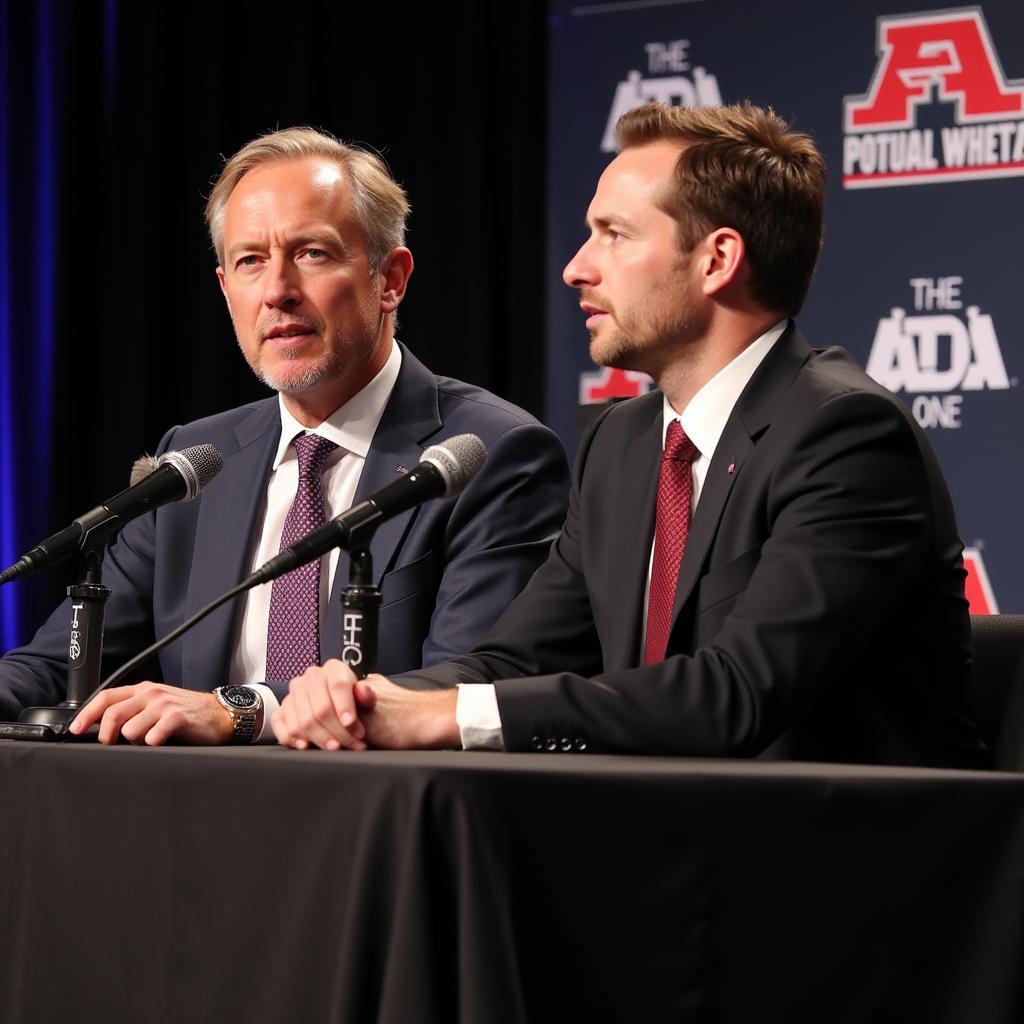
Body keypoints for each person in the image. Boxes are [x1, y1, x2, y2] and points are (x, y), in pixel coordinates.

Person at [271, 102, 988, 768]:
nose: (576, 268)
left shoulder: (843, 434)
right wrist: (360, 704)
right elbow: (516, 661)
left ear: (717, 260)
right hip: (672, 843)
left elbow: (734, 694)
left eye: (613, 235)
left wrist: (447, 717)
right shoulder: (625, 440)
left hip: (843, 868)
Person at [0, 127, 569, 745]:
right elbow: (56, 670)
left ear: (391, 279)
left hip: (375, 821)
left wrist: (241, 710)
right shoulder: (193, 463)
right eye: (250, 262)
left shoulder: (492, 454)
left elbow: (471, 683)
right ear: (225, 289)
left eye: (313, 254)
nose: (277, 292)